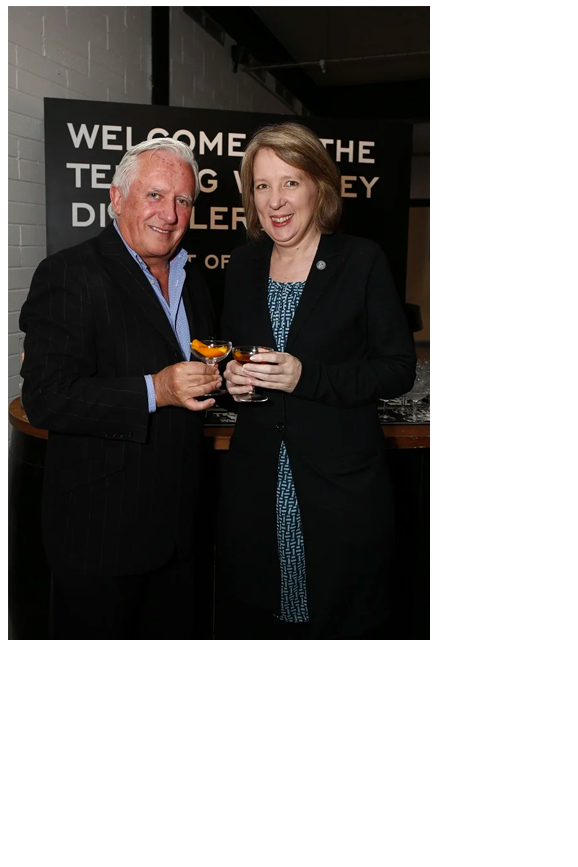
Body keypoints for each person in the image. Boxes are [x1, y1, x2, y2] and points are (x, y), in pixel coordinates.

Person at [216, 122, 416, 640]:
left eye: (290, 182)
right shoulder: (243, 265)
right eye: (262, 185)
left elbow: (397, 368)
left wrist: (308, 376)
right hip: (257, 485)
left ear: (318, 188)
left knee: (340, 622)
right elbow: (233, 356)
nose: (275, 200)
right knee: (265, 619)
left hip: (339, 488)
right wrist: (231, 379)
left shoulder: (361, 260)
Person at [19, 138, 221, 639]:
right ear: (117, 197)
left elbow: (193, 369)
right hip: (101, 535)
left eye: (182, 200)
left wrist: (225, 376)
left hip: (181, 530)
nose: (169, 214)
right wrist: (156, 389)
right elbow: (46, 397)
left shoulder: (192, 278)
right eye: (154, 195)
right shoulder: (69, 273)